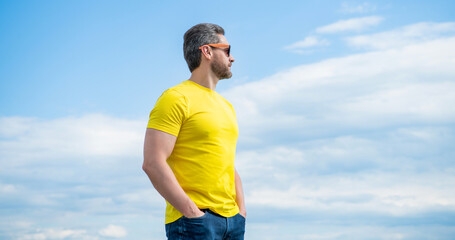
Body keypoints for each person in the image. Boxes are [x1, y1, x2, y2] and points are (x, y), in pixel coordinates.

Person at [142, 23, 246, 240]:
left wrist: (241, 211)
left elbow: (226, 161)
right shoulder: (175, 98)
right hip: (195, 223)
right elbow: (153, 162)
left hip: (232, 222)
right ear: (207, 51)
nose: (232, 57)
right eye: (226, 50)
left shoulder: (227, 106)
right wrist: (192, 213)